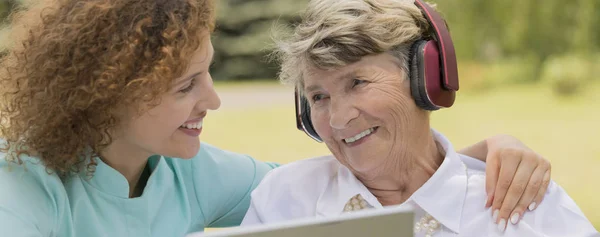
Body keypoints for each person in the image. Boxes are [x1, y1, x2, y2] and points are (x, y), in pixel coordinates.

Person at [0, 0, 552, 236]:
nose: (213, 100)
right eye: (187, 85)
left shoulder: (192, 174)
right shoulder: (21, 187)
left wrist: (478, 155)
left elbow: (347, 190)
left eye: (208, 74)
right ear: (106, 96)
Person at [241, 0, 598, 236]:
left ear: (425, 78)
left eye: (358, 83)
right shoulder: (284, 200)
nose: (337, 118)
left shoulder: (522, 200)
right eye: (319, 97)